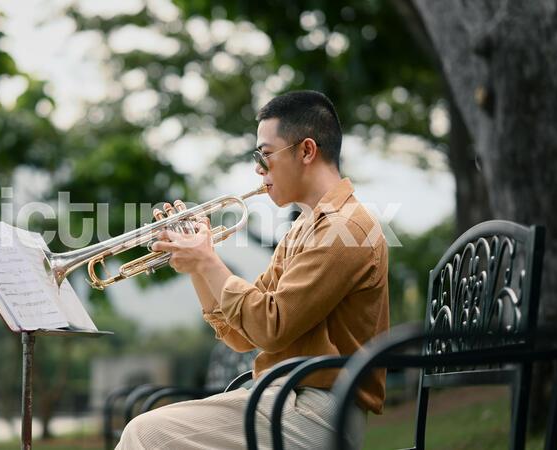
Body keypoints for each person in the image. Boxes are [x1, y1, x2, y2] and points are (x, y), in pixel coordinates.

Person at [117, 90, 389, 449]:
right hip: (284, 398)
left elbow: (269, 327)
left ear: (307, 151)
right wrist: (199, 268)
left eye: (265, 154)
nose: (258, 168)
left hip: (319, 411)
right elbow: (241, 335)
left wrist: (207, 261)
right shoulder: (305, 227)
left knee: (145, 433)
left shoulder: (347, 227)